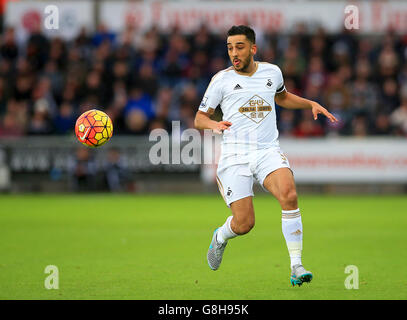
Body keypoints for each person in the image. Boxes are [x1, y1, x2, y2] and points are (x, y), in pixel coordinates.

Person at [194, 25, 338, 287]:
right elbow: (199, 118)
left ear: (253, 48)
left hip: (267, 150)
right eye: (229, 48)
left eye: (239, 47)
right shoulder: (221, 80)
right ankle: (221, 236)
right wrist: (213, 125)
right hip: (235, 155)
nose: (234, 53)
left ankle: (296, 266)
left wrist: (310, 103)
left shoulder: (272, 72)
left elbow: (281, 98)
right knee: (244, 223)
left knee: (290, 195)